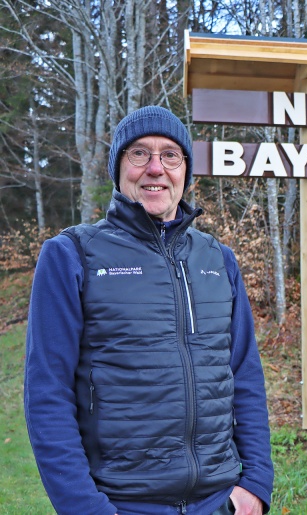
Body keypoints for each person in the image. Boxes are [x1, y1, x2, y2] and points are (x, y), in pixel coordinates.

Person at [24, 106, 274, 515]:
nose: (156, 168)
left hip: (220, 503)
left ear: (185, 171)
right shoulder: (71, 255)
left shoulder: (219, 259)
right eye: (139, 154)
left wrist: (256, 486)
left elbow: (244, 375)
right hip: (122, 504)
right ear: (118, 168)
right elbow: (46, 395)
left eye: (170, 155)